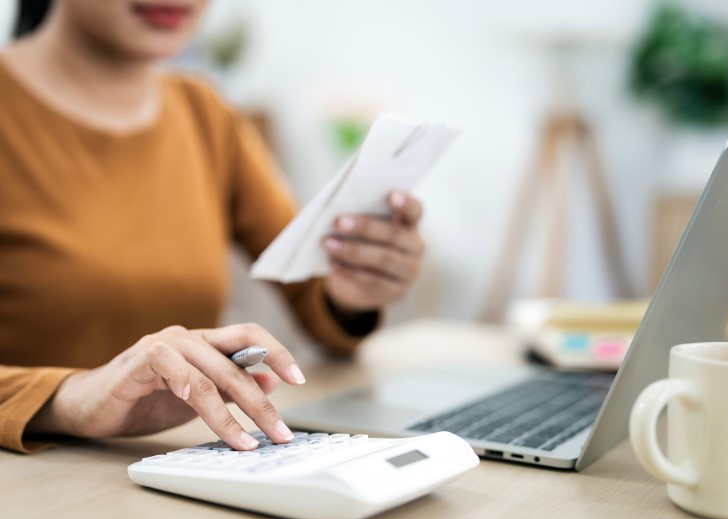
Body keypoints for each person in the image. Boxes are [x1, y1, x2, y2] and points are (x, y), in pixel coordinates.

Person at [0, 0, 425, 453]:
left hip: (182, 463)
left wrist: (352, 286)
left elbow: (310, 289)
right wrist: (68, 398)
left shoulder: (205, 112)